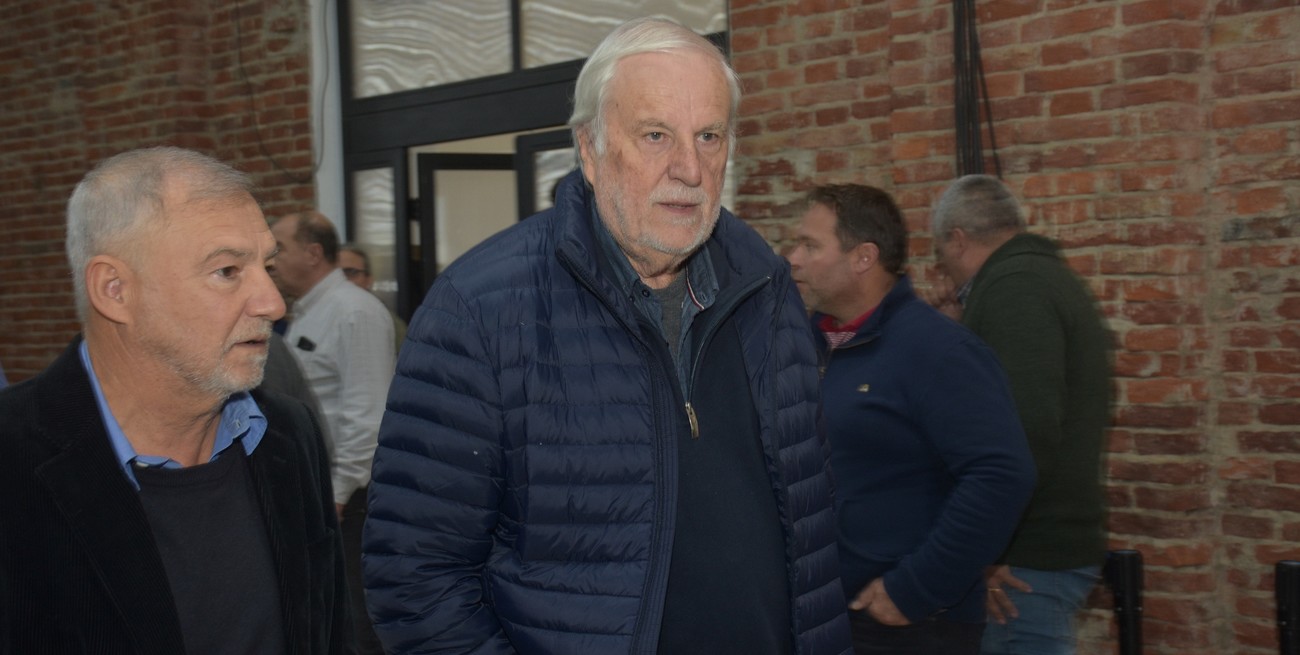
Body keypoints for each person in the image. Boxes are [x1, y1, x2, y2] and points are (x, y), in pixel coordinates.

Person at [363, 17, 853, 655]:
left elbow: (812, 531)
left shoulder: (768, 288)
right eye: (655, 135)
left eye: (709, 136)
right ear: (590, 150)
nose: (690, 168)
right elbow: (415, 578)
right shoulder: (479, 311)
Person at [0, 146, 350, 654]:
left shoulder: (288, 435)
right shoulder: (13, 459)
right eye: (228, 271)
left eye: (268, 266)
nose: (273, 304)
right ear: (115, 289)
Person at [787, 183, 1037, 655]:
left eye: (810, 246)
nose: (792, 259)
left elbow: (1002, 474)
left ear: (863, 257)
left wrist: (915, 588)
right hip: (820, 615)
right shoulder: (807, 348)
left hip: (904, 625)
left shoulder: (938, 351)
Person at [929, 175, 1112, 655]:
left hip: (1025, 560)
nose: (944, 267)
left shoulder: (1015, 288)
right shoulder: (1038, 277)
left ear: (958, 239)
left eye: (941, 253)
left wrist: (988, 550)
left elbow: (1025, 433)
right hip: (1036, 551)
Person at [269, 211, 395, 655]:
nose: (270, 260)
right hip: (322, 492)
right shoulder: (307, 312)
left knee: (358, 621)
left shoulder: (354, 311)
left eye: (279, 249)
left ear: (313, 253)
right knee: (330, 615)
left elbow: (369, 415)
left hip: (351, 499)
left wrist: (337, 493)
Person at [339, 242, 408, 349]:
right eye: (337, 274)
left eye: (351, 272)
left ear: (368, 280)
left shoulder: (389, 323)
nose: (343, 280)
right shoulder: (321, 317)